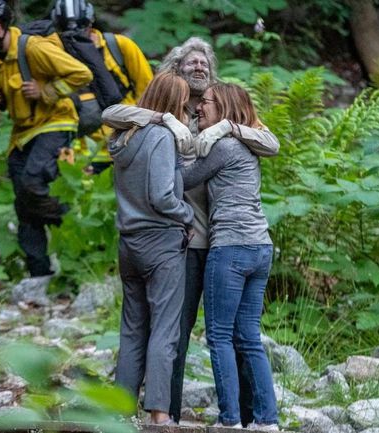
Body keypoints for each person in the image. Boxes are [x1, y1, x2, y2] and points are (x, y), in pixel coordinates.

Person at [102, 36, 279, 425]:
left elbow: (269, 140)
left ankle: (250, 416)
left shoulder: (220, 111)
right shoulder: (167, 113)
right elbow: (113, 113)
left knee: (231, 333)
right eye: (190, 63)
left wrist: (226, 128)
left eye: (204, 63)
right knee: (176, 331)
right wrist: (163, 118)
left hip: (220, 239)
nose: (199, 68)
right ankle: (171, 412)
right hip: (181, 237)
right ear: (175, 71)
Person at [0, 0, 92, 281]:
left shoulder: (33, 47)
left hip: (55, 122)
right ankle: (39, 272)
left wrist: (46, 90)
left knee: (34, 182)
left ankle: (70, 222)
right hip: (22, 134)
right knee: (23, 201)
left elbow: (82, 74)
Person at [180, 82, 278, 431]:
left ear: (223, 107)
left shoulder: (223, 146)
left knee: (219, 335)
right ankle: (267, 421)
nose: (198, 109)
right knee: (248, 335)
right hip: (260, 246)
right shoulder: (247, 143)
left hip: (231, 247)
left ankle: (230, 420)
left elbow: (184, 179)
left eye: (204, 103)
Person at [111, 72, 193, 425]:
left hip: (128, 244)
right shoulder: (161, 137)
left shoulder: (123, 137)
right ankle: (159, 415)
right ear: (175, 104)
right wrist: (187, 214)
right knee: (165, 329)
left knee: (132, 329)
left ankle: (119, 410)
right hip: (160, 243)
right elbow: (162, 195)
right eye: (185, 101)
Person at [50, 0, 153, 174]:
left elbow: (149, 92)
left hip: (124, 146)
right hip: (77, 154)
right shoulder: (52, 55)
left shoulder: (119, 46)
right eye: (65, 32)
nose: (74, 37)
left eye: (81, 29)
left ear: (91, 23)